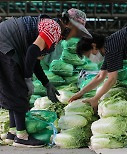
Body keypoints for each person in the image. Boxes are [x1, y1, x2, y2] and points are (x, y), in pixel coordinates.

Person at [0, 8, 92, 147]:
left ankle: (12, 134)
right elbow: (31, 52)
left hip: (5, 45)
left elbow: (35, 61)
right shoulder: (54, 28)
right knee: (19, 90)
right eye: (77, 31)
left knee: (13, 91)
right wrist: (27, 79)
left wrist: (46, 83)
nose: (76, 36)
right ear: (68, 24)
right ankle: (22, 137)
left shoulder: (53, 31)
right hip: (5, 45)